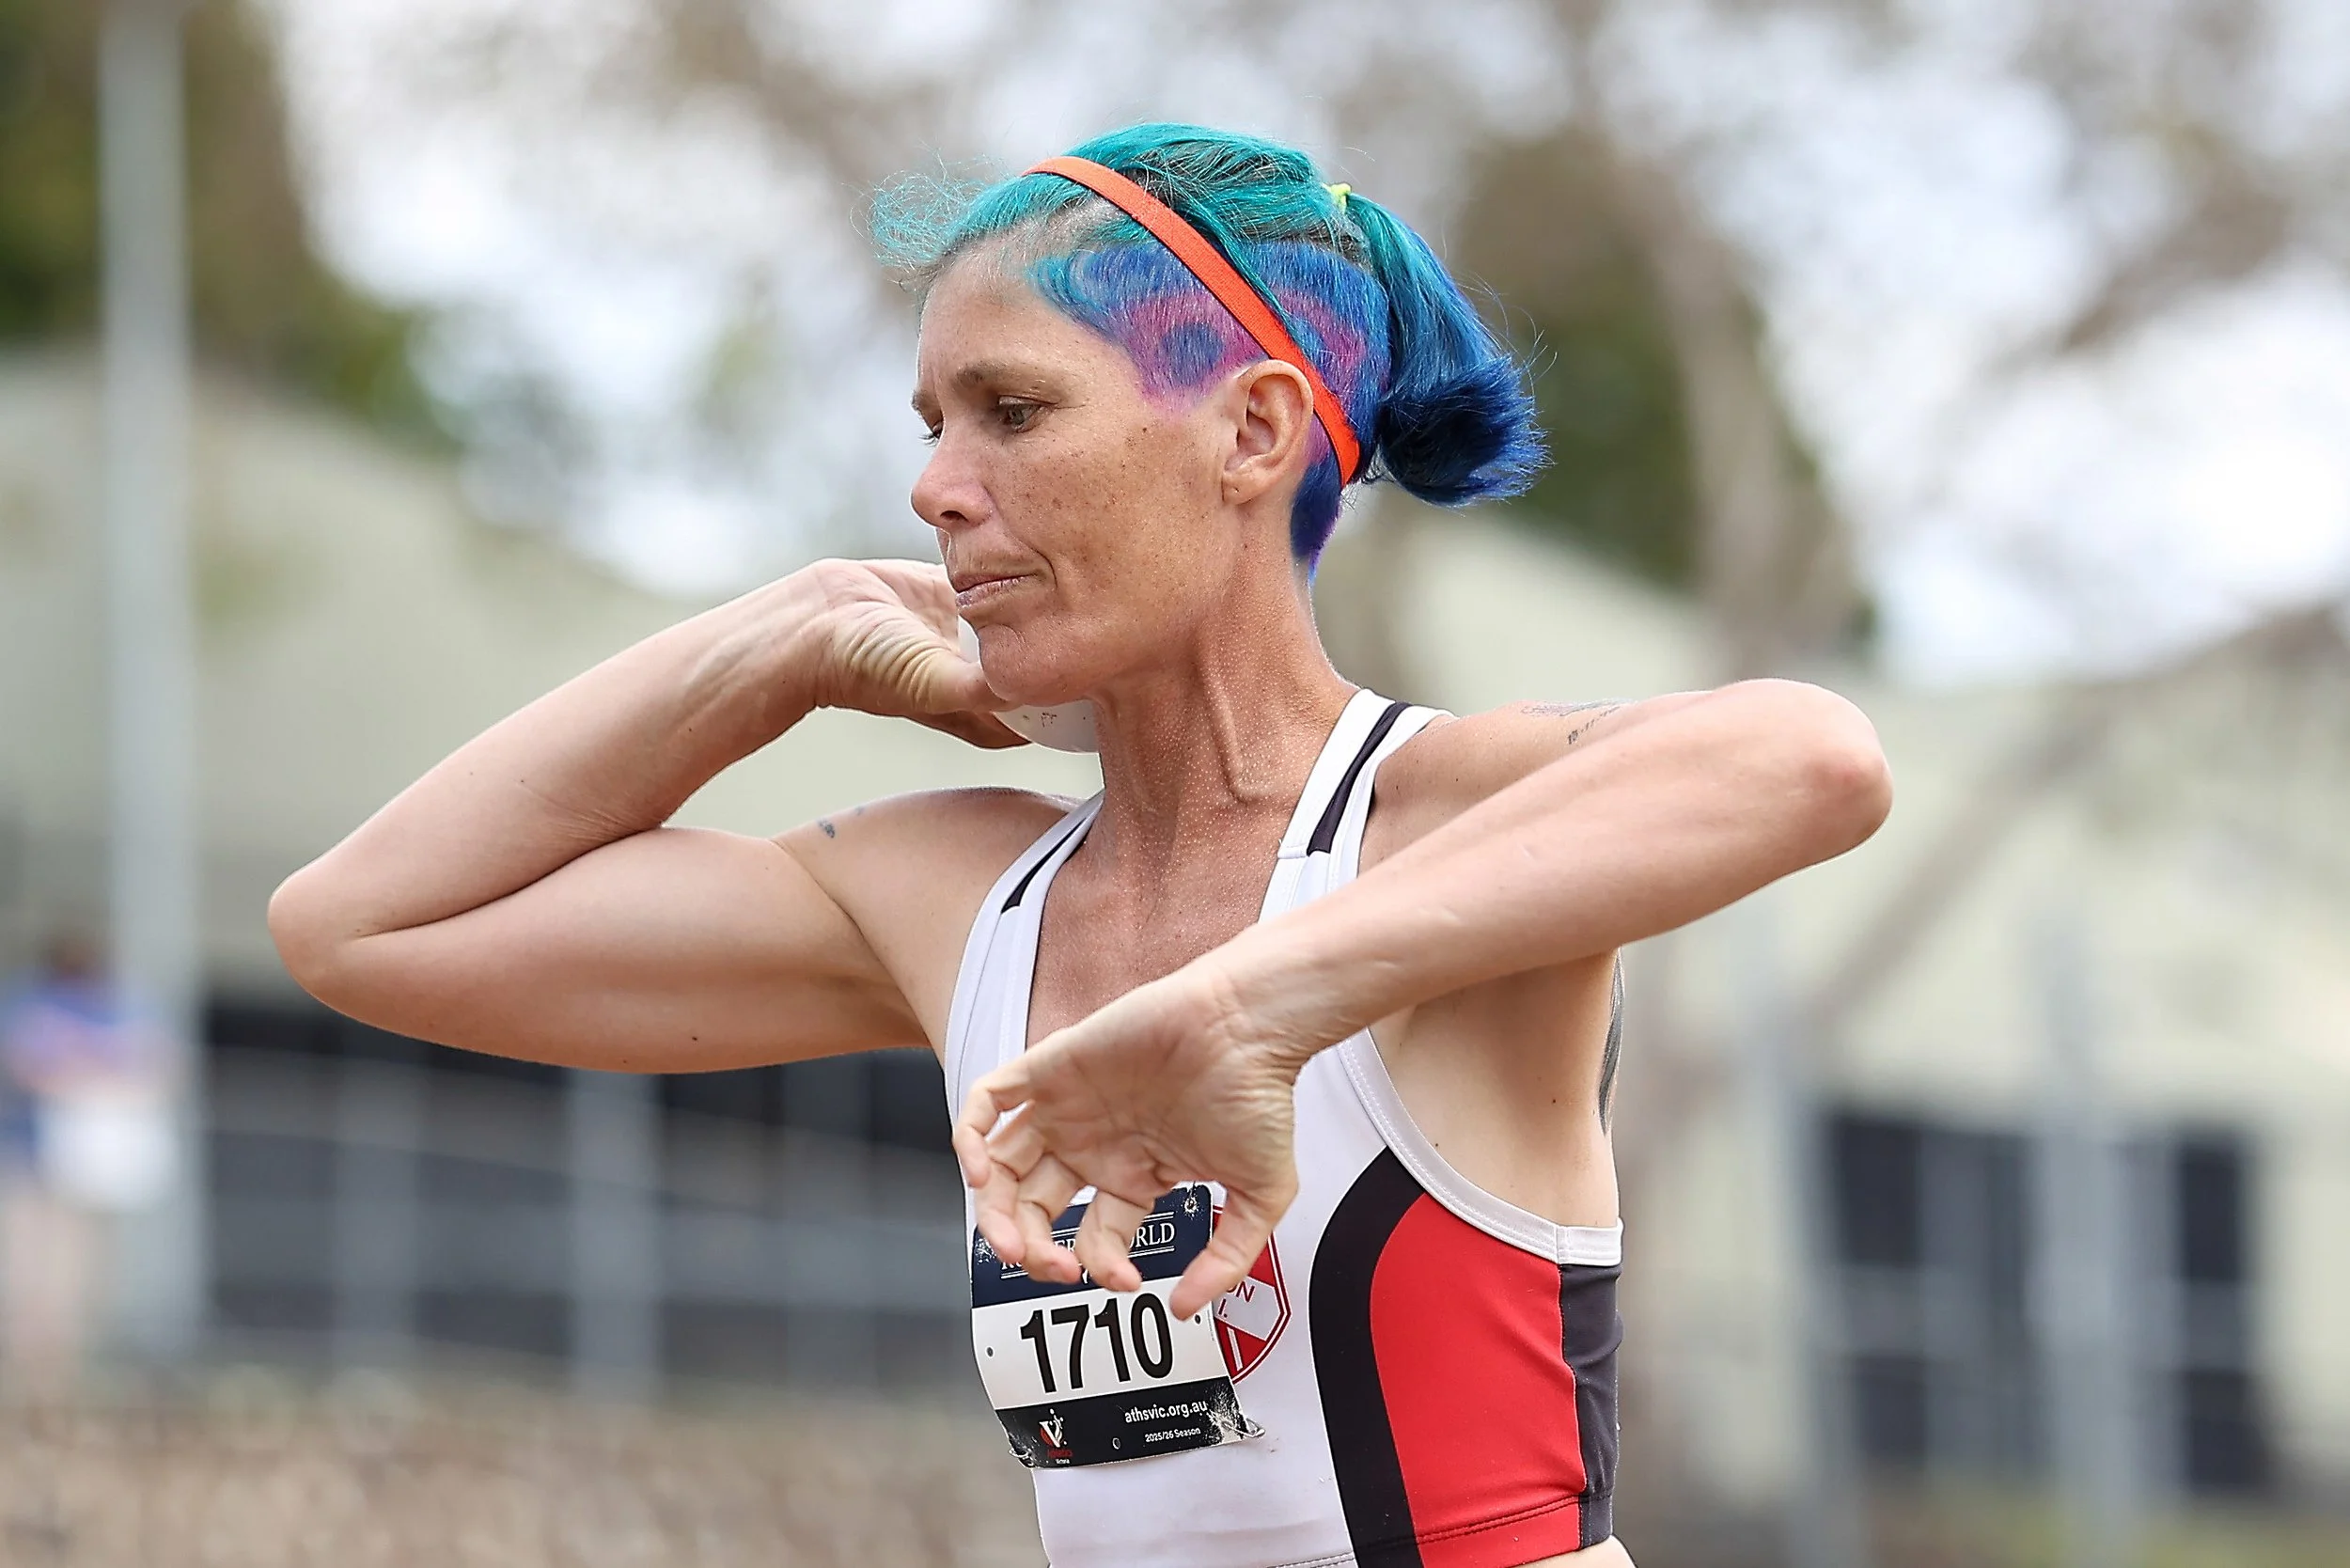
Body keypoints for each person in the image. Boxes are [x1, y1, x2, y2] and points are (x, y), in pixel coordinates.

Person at [269, 123, 1891, 1567]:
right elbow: (361, 928)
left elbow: (1811, 756)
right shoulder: (959, 899)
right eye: (931, 424)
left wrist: (1247, 1010)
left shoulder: (1428, 818)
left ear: (1252, 433)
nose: (935, 487)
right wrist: (791, 632)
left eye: (1013, 412)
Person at [0, 930, 175, 1399]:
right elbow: (25, 1063)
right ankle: (27, 1376)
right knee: (28, 1275)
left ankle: (62, 1376)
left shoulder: (120, 1006)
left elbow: (158, 1065)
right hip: (31, 1164)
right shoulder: (30, 1003)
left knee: (79, 1276)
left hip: (90, 1173)